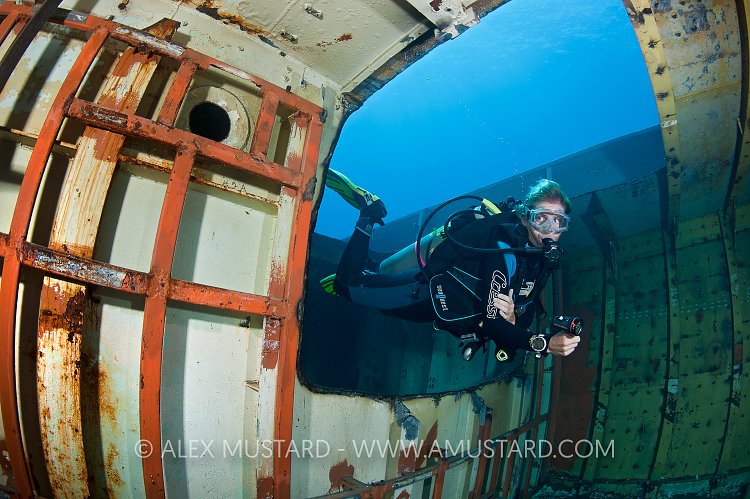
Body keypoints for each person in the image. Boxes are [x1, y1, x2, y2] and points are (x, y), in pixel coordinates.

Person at [322, 169, 581, 360]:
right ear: (525, 219)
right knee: (347, 285)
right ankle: (368, 211)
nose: (550, 229)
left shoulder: (540, 262)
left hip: (444, 308)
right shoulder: (503, 251)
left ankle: (371, 277)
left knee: (382, 302)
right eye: (541, 219)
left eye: (558, 222)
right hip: (426, 295)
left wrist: (513, 318)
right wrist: (544, 343)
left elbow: (520, 318)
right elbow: (492, 324)